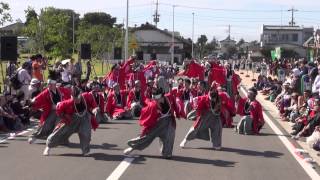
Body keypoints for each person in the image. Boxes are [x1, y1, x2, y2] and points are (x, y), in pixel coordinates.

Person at [123, 87, 179, 159]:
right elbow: (148, 119)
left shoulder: (169, 97)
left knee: (169, 140)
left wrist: (177, 113)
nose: (155, 100)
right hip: (157, 123)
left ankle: (166, 152)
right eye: (154, 99)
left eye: (157, 99)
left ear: (161, 96)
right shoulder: (153, 106)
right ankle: (132, 148)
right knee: (147, 137)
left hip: (168, 122)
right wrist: (145, 131)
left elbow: (174, 103)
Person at [43, 86, 99, 156]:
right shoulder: (67, 103)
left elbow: (94, 104)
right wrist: (65, 116)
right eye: (74, 98)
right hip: (71, 119)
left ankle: (85, 151)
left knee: (86, 134)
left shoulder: (87, 96)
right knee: (58, 133)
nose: (76, 100)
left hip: (84, 118)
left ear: (81, 94)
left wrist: (95, 109)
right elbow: (59, 111)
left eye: (77, 98)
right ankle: (48, 146)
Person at [28, 71, 71, 144]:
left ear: (54, 84)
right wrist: (33, 101)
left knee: (61, 125)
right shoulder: (47, 92)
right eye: (48, 84)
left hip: (61, 112)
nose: (49, 86)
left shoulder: (60, 90)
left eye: (50, 84)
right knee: (46, 126)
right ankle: (34, 136)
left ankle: (62, 139)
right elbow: (39, 97)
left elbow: (69, 93)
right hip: (52, 111)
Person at [180, 82, 222, 150]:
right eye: (212, 98)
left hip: (215, 116)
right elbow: (198, 109)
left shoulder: (219, 98)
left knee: (218, 128)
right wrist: (199, 117)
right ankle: (185, 140)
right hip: (204, 115)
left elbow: (220, 108)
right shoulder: (204, 98)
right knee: (195, 128)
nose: (213, 99)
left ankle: (216, 144)